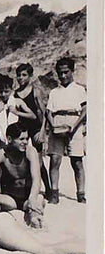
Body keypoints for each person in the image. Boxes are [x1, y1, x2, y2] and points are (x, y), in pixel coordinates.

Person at [0, 123, 45, 228]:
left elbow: (36, 179)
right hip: (10, 199)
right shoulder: (1, 154)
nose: (25, 142)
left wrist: (32, 198)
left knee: (39, 199)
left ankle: (35, 222)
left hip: (27, 197)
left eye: (27, 139)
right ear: (9, 139)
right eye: (21, 139)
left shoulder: (30, 152)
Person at [45, 57, 86, 204]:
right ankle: (54, 193)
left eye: (66, 72)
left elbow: (85, 110)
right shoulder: (54, 92)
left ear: (72, 71)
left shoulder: (79, 90)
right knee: (55, 159)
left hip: (74, 123)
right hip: (57, 123)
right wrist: (53, 126)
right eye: (60, 73)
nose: (63, 76)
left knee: (77, 161)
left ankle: (81, 193)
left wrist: (73, 127)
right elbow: (48, 111)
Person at [14, 63, 51, 198]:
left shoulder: (35, 91)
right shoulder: (16, 93)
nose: (21, 78)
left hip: (36, 128)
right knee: (24, 159)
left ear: (30, 76)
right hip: (22, 129)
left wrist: (42, 132)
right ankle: (28, 189)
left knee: (39, 161)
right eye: (18, 75)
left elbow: (44, 112)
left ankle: (48, 189)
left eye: (24, 75)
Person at [0, 74, 36, 147]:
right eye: (0, 92)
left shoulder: (17, 101)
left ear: (11, 90)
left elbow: (33, 116)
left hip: (19, 138)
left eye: (6, 91)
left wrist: (17, 112)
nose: (3, 94)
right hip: (2, 140)